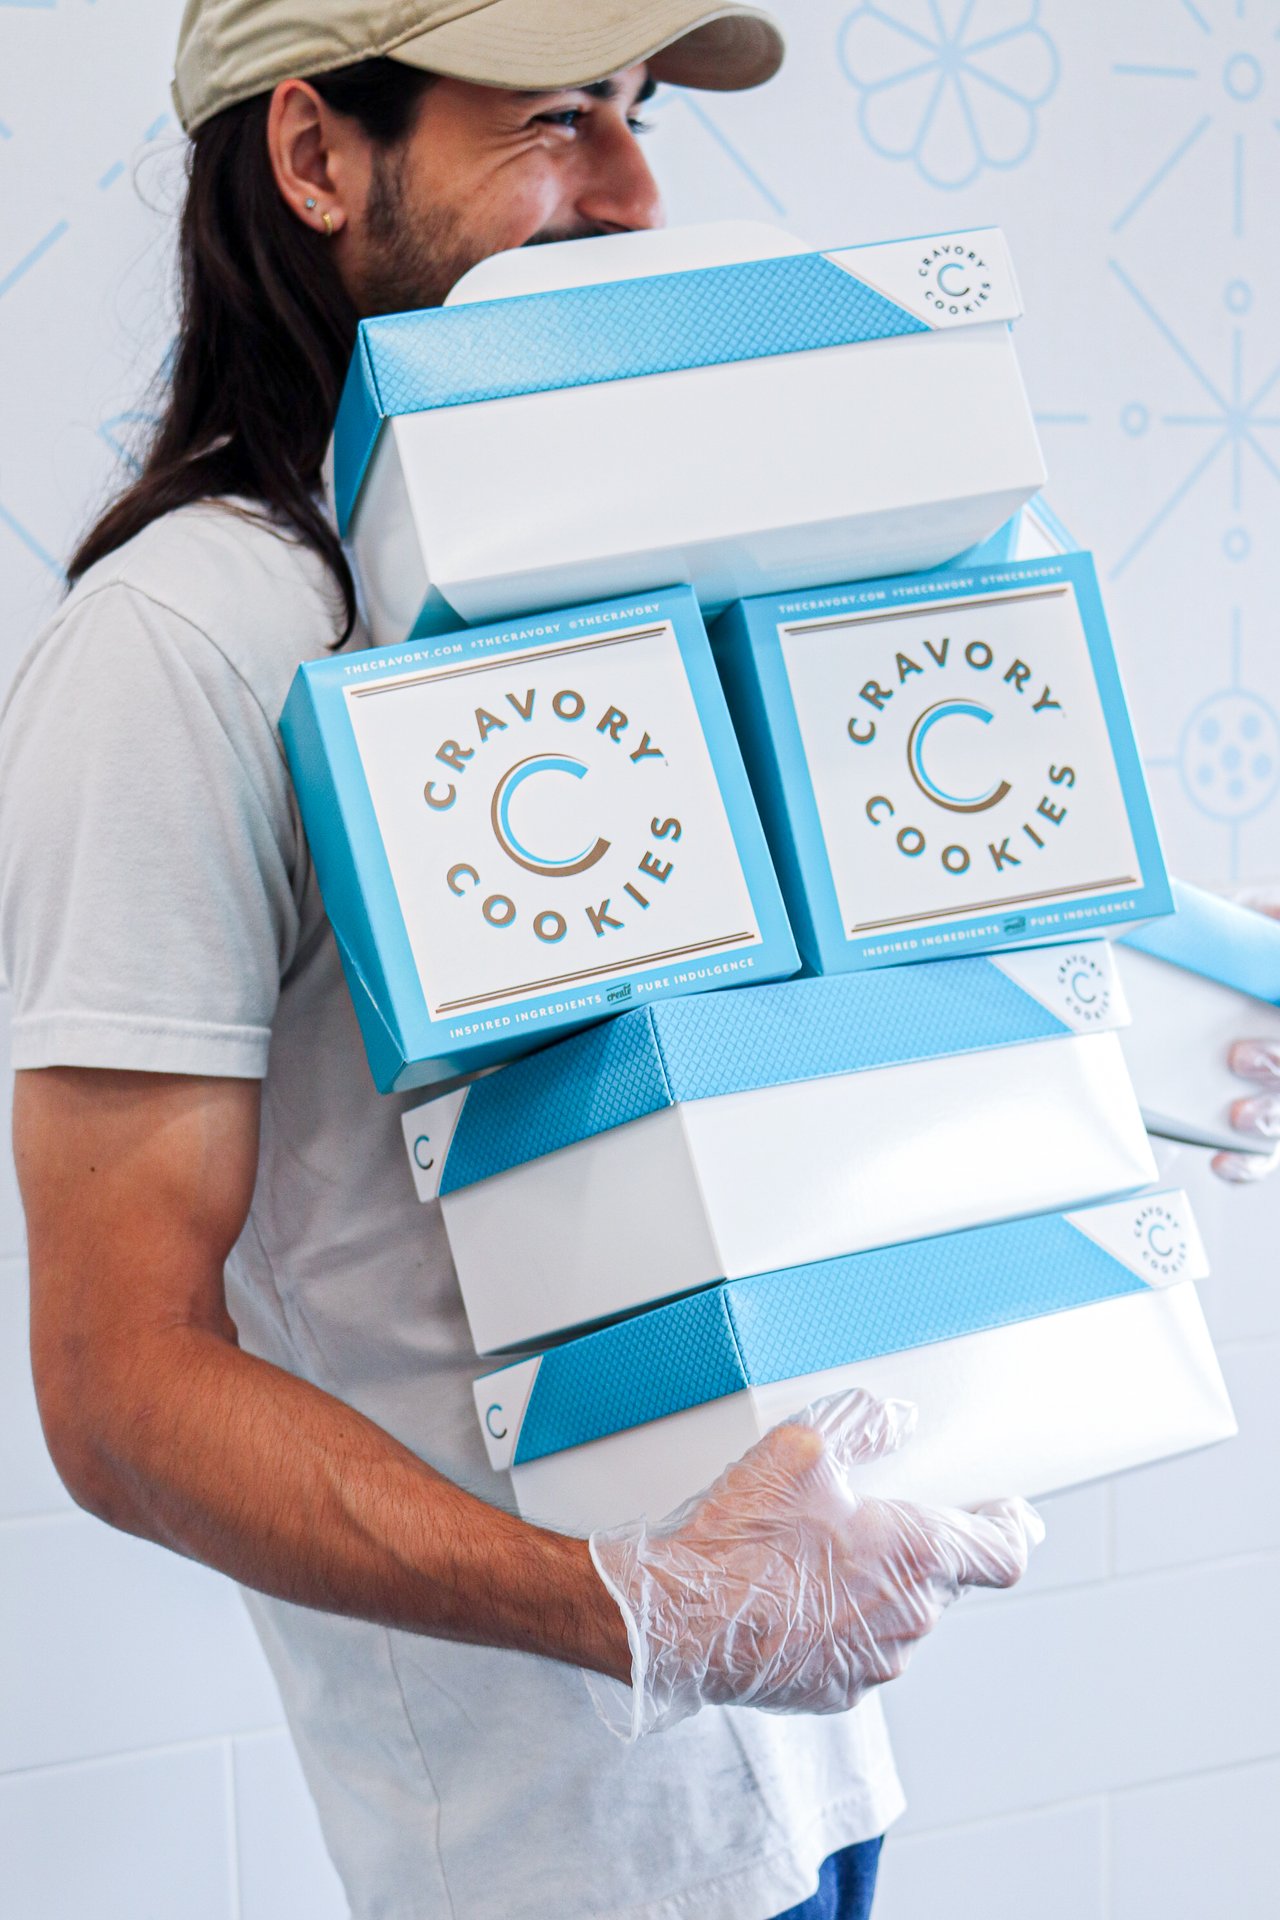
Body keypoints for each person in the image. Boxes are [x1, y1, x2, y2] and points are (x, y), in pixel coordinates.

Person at [2, 3, 1259, 1916]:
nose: (638, 188)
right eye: (560, 121)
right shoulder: (176, 653)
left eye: (640, 112)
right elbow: (117, 1386)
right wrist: (640, 1612)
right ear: (317, 156)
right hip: (553, 1853)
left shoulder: (623, 573)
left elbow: (787, 1015)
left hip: (817, 1777)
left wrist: (1163, 1043)